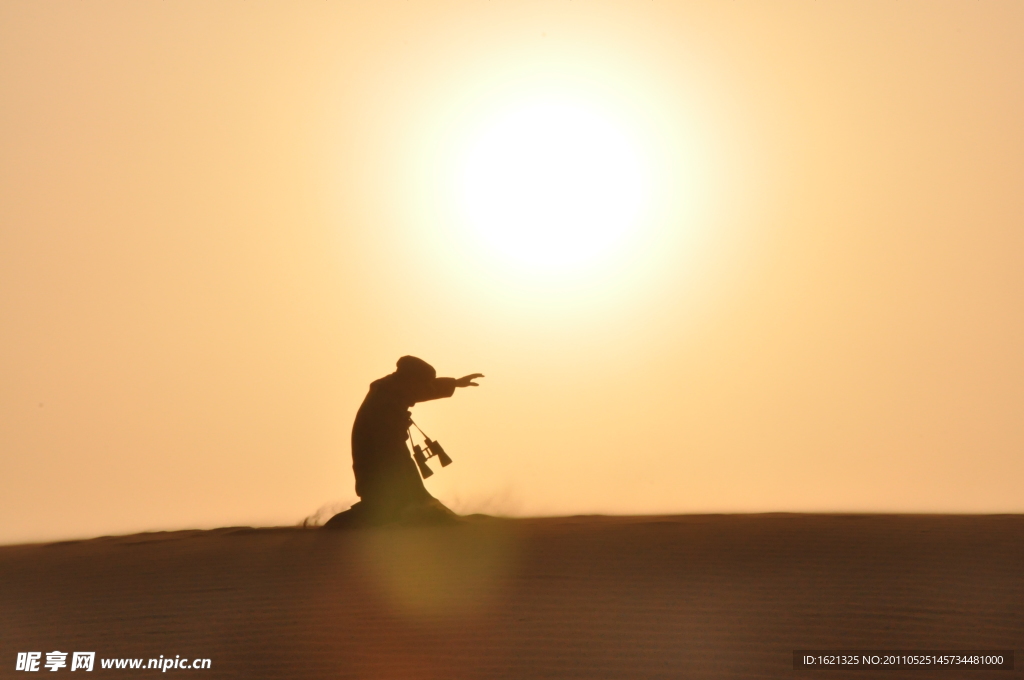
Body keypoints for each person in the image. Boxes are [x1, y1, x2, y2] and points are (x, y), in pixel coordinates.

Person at [324, 356, 483, 528]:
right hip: (380, 453)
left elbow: (422, 390)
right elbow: (384, 440)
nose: (428, 387)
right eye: (424, 382)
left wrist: (456, 383)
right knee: (387, 499)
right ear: (411, 379)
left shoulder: (395, 387)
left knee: (405, 491)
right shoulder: (385, 396)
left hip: (391, 448)